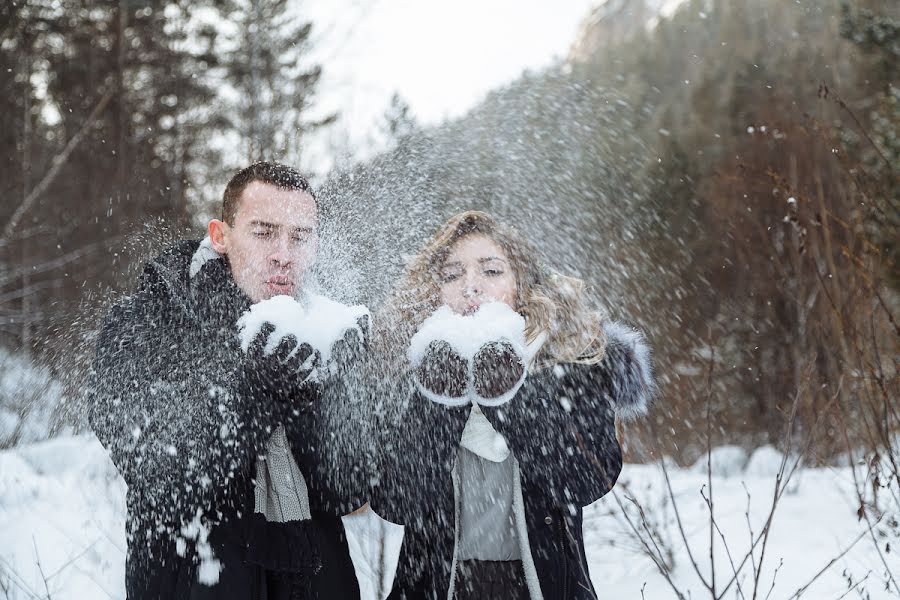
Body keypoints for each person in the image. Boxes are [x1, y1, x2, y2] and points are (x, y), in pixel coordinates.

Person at [88, 162, 365, 599]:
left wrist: (320, 397)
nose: (283, 253)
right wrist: (256, 395)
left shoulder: (322, 329)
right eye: (263, 231)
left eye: (300, 236)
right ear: (221, 236)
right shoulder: (147, 323)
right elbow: (162, 478)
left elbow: (348, 489)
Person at [369, 210, 654, 599]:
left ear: (521, 283)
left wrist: (508, 397)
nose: (471, 287)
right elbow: (395, 502)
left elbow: (589, 478)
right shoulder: (409, 371)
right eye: (453, 275)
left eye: (491, 271)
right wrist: (442, 400)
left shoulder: (567, 363)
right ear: (436, 290)